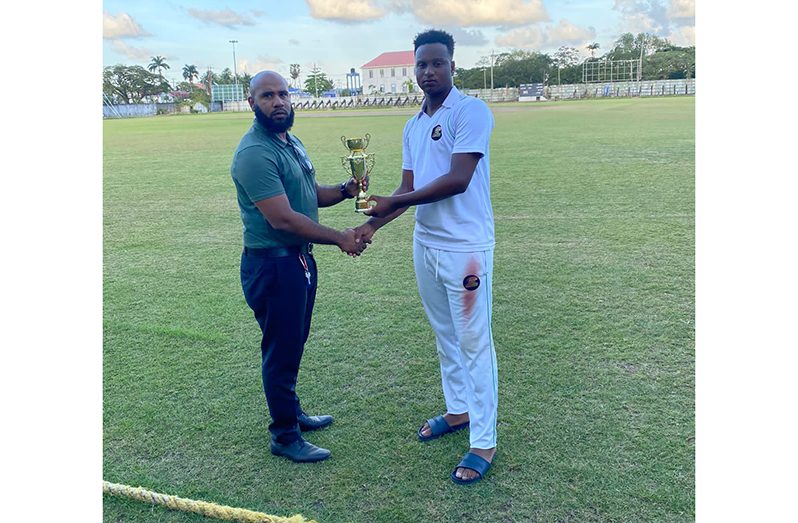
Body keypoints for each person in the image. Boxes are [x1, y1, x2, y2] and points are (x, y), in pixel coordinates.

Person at [356, 29, 498, 484]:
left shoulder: (471, 111)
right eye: (421, 64)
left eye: (437, 63)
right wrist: (371, 223)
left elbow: (457, 179)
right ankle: (457, 411)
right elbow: (405, 188)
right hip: (426, 244)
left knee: (474, 342)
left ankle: (484, 439)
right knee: (445, 336)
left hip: (465, 249)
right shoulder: (414, 124)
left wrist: (396, 201)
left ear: (453, 66)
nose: (428, 71)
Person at [231, 71, 368, 463]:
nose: (278, 102)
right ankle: (285, 435)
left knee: (293, 342)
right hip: (273, 266)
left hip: (298, 260)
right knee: (280, 348)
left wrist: (344, 190)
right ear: (251, 102)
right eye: (268, 95)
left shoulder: (289, 142)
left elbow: (308, 196)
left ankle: (291, 412)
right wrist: (341, 237)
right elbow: (284, 220)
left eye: (283, 94)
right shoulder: (255, 153)